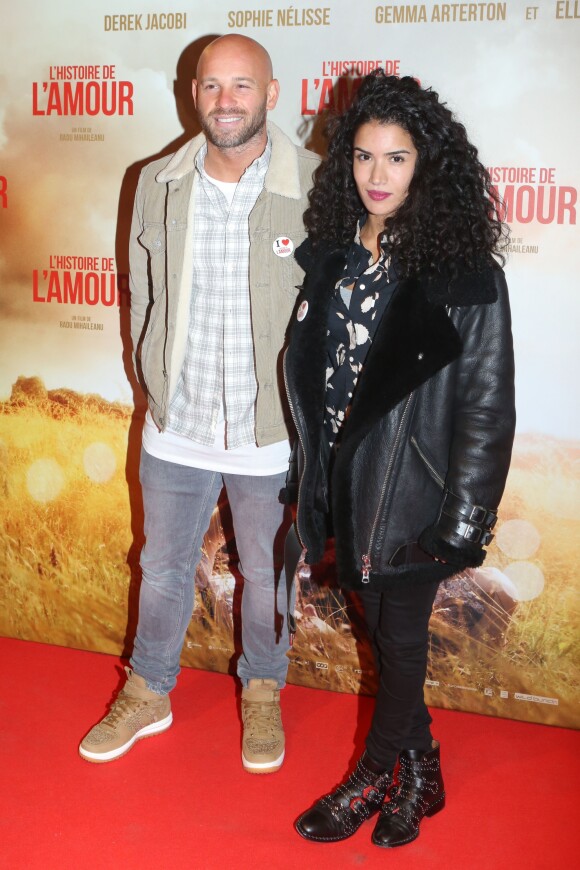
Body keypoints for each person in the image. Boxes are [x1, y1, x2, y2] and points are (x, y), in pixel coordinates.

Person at [283, 72, 515, 846]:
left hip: (415, 495)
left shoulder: (464, 275)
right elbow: (318, 379)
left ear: (427, 166)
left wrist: (463, 522)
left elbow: (487, 405)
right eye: (363, 157)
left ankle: (370, 776)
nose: (377, 177)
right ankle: (424, 772)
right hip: (347, 489)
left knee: (401, 640)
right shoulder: (331, 255)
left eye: (397, 158)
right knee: (381, 637)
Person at [79, 34, 319, 773]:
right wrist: (149, 376)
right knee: (161, 568)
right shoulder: (157, 180)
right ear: (194, 94)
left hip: (268, 431)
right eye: (212, 86)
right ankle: (149, 690)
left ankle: (262, 693)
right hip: (175, 427)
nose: (225, 101)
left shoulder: (315, 184)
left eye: (242, 86)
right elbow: (140, 292)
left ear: (272, 95)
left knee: (265, 573)